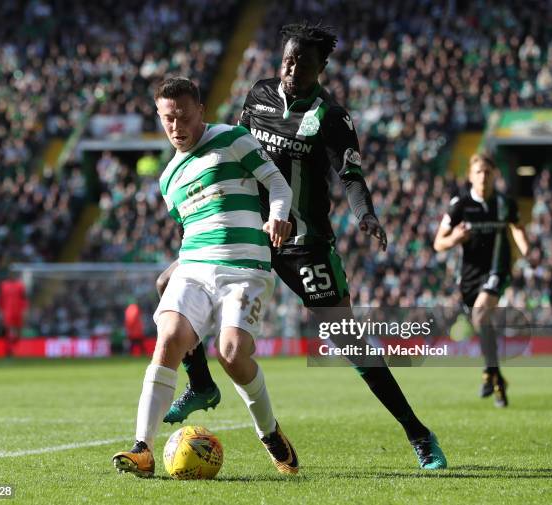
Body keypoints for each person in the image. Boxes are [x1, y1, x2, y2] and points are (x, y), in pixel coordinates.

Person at [157, 22, 447, 470]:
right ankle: (202, 384)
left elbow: (351, 176)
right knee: (167, 282)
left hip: (305, 244)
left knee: (347, 338)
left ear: (322, 67)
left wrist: (366, 213)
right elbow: (231, 148)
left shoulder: (331, 117)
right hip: (249, 232)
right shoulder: (259, 95)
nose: (291, 68)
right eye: (287, 59)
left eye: (303, 63)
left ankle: (419, 434)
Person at [112, 77, 298, 477]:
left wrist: (277, 216)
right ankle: (142, 449)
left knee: (232, 353)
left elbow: (278, 185)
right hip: (195, 267)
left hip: (245, 268)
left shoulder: (233, 138)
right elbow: (195, 229)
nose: (176, 127)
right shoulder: (168, 179)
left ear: (200, 111)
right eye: (167, 119)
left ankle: (268, 432)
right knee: (167, 342)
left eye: (182, 116)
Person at [434, 153, 529, 407]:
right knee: (482, 322)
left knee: (479, 314)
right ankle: (496, 378)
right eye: (479, 172)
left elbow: (517, 227)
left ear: (495, 174)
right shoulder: (460, 205)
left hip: (498, 269)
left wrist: (526, 249)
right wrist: (454, 239)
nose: (483, 177)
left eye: (488, 172)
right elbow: (438, 243)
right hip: (469, 277)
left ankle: (489, 374)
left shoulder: (504, 203)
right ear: (470, 176)